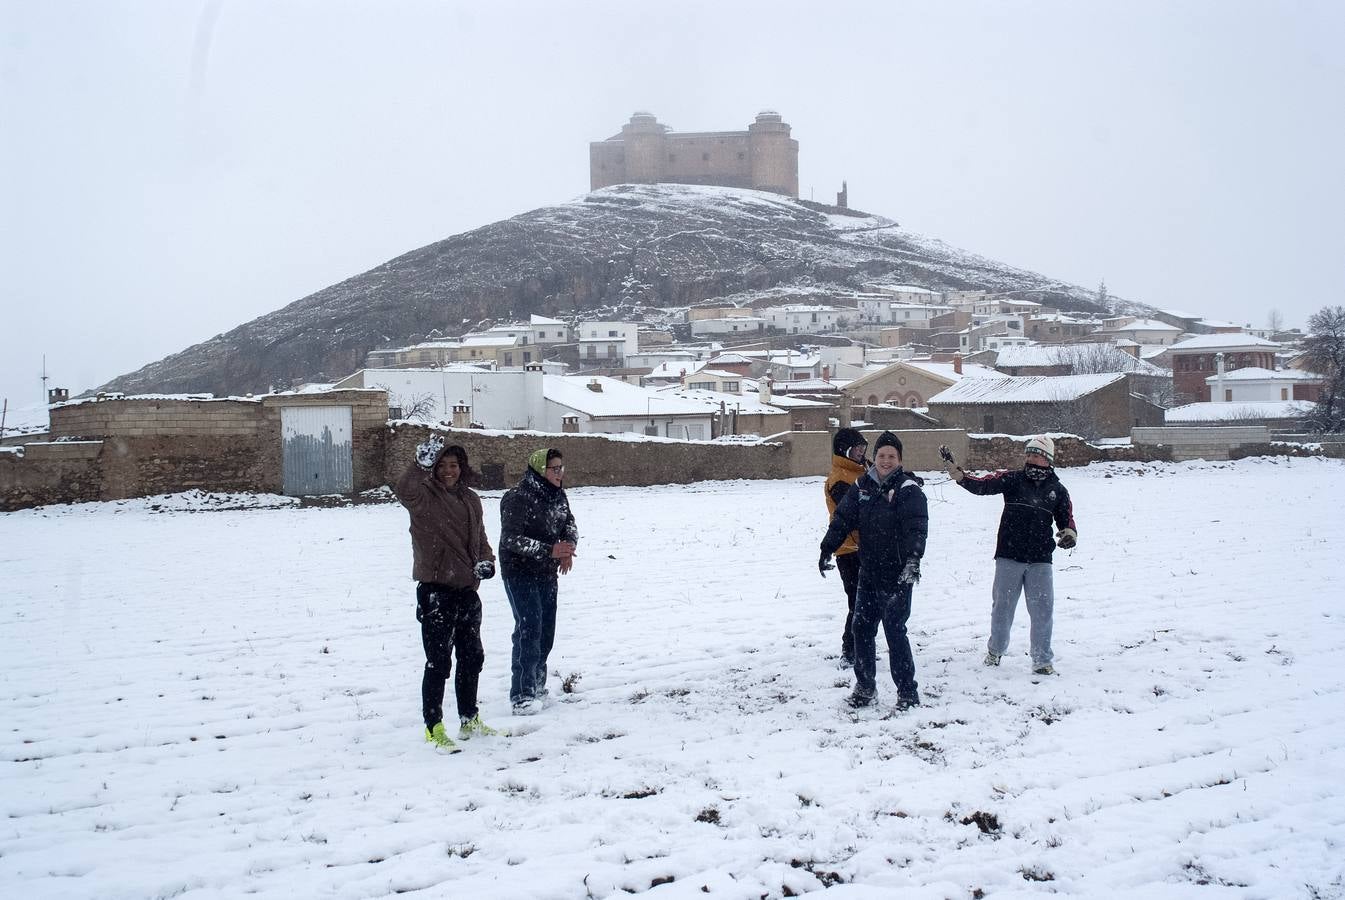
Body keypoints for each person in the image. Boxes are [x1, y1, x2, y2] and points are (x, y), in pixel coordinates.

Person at [394, 434, 499, 752]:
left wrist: (486, 561)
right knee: (438, 662)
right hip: (436, 590)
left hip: (467, 590)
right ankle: (433, 727)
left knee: (472, 657)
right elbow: (404, 489)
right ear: (434, 468)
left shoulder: (471, 499)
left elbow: (479, 536)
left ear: (461, 467)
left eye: (454, 465)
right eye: (442, 465)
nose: (448, 471)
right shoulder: (422, 496)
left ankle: (469, 719)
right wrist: (417, 466)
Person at [942, 435, 1077, 676]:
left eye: (1036, 454)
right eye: (1028, 454)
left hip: (1040, 559)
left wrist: (1069, 533)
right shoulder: (1012, 479)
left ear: (1047, 459)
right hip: (1009, 555)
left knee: (1042, 610)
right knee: (1002, 607)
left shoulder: (1058, 490)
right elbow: (983, 486)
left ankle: (1042, 660)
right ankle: (995, 651)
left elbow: (1066, 519)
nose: (1030, 458)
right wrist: (960, 476)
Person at [820, 431, 928, 710]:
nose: (885, 460)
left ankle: (907, 692)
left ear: (899, 459)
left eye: (891, 456)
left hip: (897, 575)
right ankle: (866, 687)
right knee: (862, 629)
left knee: (894, 632)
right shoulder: (862, 486)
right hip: (868, 572)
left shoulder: (908, 489)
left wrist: (913, 560)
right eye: (881, 455)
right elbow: (842, 519)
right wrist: (826, 548)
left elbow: (917, 528)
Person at [499, 447, 578, 715]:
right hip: (519, 572)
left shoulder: (558, 496)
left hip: (546, 572)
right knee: (528, 628)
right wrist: (550, 550)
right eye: (554, 469)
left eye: (561, 468)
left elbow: (569, 524)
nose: (559, 473)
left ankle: (537, 685)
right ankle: (521, 694)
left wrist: (567, 547)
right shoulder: (517, 498)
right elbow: (511, 539)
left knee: (545, 630)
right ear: (539, 470)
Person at [824, 428, 869, 667]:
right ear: (845, 451)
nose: (862, 453)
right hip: (848, 549)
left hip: (864, 547)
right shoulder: (840, 479)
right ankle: (850, 649)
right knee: (858, 601)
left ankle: (862, 645)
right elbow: (852, 513)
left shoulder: (860, 472)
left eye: (864, 449)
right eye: (858, 449)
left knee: (868, 602)